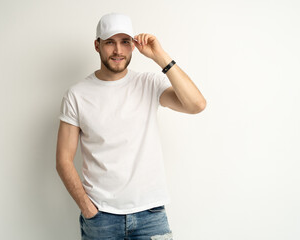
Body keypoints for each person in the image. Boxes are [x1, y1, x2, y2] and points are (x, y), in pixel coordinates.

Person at [56, 12, 206, 240]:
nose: (118, 51)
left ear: (133, 45)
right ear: (97, 45)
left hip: (151, 215)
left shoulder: (149, 83)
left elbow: (196, 105)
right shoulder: (77, 95)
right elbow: (63, 160)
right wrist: (88, 209)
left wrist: (160, 56)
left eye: (125, 42)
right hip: (101, 218)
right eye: (110, 43)